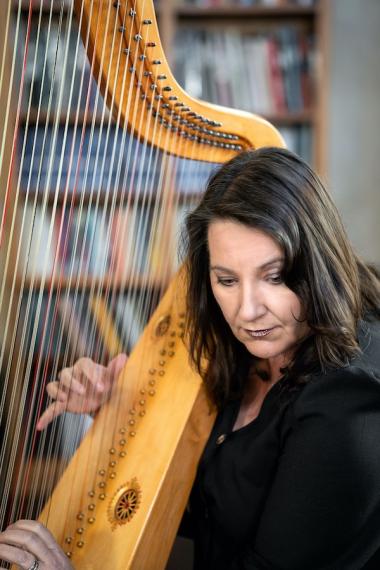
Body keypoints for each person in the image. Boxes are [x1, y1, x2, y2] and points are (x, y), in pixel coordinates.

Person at [1, 147, 380, 569]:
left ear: (316, 264)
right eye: (227, 280)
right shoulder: (242, 349)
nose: (248, 310)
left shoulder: (347, 408)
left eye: (274, 276)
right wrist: (115, 413)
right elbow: (215, 509)